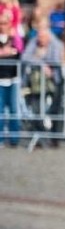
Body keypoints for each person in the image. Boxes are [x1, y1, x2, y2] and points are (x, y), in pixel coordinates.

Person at [0, 12, 21, 148]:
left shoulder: (14, 38)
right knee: (0, 111)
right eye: (1, 23)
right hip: (0, 79)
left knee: (14, 109)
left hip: (13, 78)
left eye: (5, 23)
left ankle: (14, 139)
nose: (3, 26)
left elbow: (20, 50)